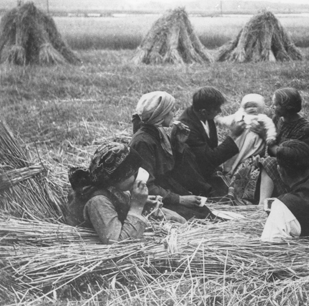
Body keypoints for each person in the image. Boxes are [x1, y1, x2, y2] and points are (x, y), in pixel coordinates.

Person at [67, 142, 185, 244]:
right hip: (92, 250)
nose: (136, 176)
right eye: (132, 173)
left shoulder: (110, 185)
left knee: (176, 218)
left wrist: (143, 203)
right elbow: (118, 244)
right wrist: (137, 206)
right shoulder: (98, 201)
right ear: (117, 178)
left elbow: (118, 201)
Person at [130, 91, 219, 220]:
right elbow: (146, 186)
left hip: (164, 190)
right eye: (171, 110)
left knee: (204, 212)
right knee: (198, 217)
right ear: (160, 115)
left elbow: (171, 168)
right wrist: (180, 199)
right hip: (154, 198)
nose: (174, 114)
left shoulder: (157, 133)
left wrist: (179, 145)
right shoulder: (143, 142)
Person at [177, 86, 243, 195]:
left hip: (206, 169)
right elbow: (209, 160)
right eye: (217, 109)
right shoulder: (187, 128)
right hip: (194, 175)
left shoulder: (204, 116)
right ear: (203, 111)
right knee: (224, 195)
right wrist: (233, 135)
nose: (220, 111)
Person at [215, 93, 277, 201]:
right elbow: (228, 120)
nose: (251, 109)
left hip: (253, 146)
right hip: (240, 144)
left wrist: (270, 137)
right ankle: (228, 176)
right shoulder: (239, 115)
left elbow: (270, 127)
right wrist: (219, 120)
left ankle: (237, 190)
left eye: (254, 106)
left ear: (260, 107)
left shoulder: (262, 118)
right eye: (248, 106)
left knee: (247, 162)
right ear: (244, 107)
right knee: (233, 158)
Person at [258, 87, 309, 203]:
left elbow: (287, 154)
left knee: (269, 162)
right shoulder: (278, 118)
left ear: (288, 107)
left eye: (276, 104)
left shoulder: (303, 127)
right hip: (278, 160)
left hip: (293, 169)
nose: (273, 106)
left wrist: (265, 137)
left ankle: (262, 203)